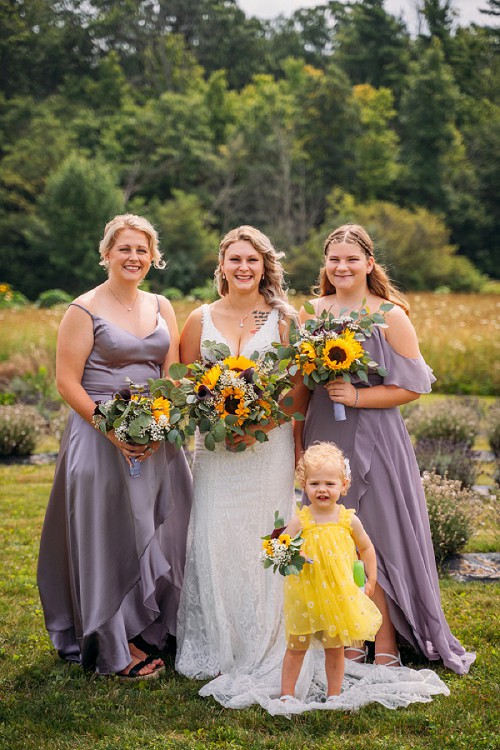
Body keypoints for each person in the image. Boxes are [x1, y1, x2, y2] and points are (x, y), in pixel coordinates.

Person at [296, 223, 475, 675]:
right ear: (325, 264)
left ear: (369, 264)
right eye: (334, 259)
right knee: (332, 536)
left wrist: (356, 396)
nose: (342, 267)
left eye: (352, 259)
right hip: (324, 430)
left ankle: (387, 639)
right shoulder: (310, 314)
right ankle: (348, 637)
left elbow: (413, 387)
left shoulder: (390, 314)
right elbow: (299, 384)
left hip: (376, 433)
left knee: (377, 537)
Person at [37, 214, 193, 679]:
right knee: (107, 532)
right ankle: (113, 641)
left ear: (153, 257)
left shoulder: (162, 305)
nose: (134, 258)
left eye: (142, 250)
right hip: (99, 432)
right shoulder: (82, 310)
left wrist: (161, 423)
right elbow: (67, 382)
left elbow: (171, 372)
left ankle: (154, 627)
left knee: (167, 526)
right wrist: (115, 431)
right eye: (124, 249)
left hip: (156, 436)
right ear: (107, 253)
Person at [175, 225, 299, 685]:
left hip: (270, 449)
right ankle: (220, 644)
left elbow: (297, 392)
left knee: (268, 535)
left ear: (265, 265)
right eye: (235, 260)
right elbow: (188, 387)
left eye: (252, 260)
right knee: (214, 533)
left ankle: (268, 641)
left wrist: (257, 429)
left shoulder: (286, 320)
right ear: (222, 266)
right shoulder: (198, 319)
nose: (244, 268)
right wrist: (221, 427)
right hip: (216, 451)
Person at [280, 442, 382, 703]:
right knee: (296, 647)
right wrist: (294, 552)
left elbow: (367, 547)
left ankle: (334, 694)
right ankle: (287, 695)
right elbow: (280, 545)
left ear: (343, 485)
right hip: (306, 592)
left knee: (335, 649)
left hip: (336, 595)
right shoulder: (301, 520)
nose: (322, 489)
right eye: (314, 483)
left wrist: (371, 578)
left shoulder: (348, 519)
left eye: (329, 483)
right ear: (304, 485)